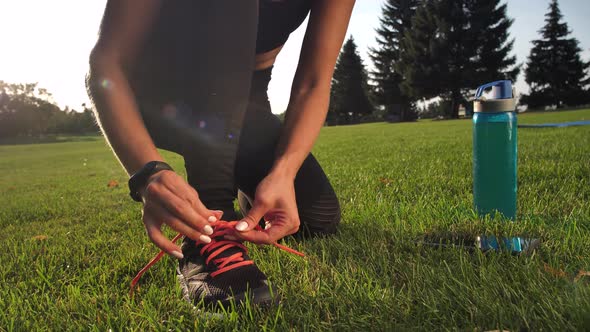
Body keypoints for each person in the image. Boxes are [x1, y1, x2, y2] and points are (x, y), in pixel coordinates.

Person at [87, 0, 355, 308]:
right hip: (156, 93)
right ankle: (208, 226)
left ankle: (243, 185)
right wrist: (148, 171)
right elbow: (107, 61)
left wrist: (283, 172)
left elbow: (313, 83)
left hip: (244, 103)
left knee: (316, 219)